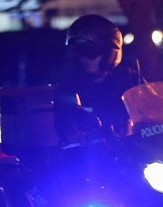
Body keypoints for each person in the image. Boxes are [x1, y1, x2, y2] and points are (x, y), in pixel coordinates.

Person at [53, 14, 141, 144]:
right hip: (88, 157)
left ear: (109, 53)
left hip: (131, 156)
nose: (83, 58)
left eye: (90, 51)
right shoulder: (69, 87)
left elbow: (156, 114)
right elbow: (65, 126)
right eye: (78, 51)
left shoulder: (131, 80)